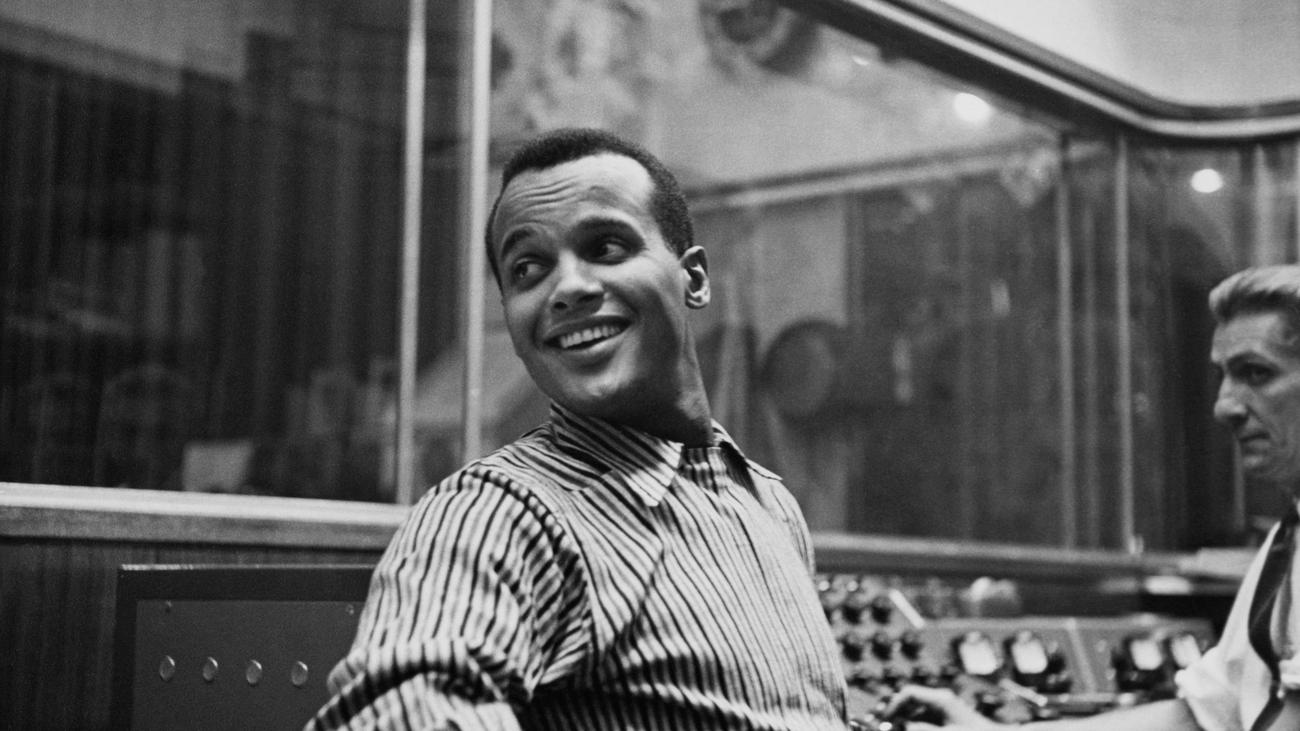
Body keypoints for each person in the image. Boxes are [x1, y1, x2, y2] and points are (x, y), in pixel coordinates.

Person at [307, 127, 849, 729]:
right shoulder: (501, 512)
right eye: (528, 268)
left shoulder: (769, 502)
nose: (566, 289)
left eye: (606, 247)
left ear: (694, 279)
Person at [887, 263, 1300, 730]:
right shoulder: (1287, 540)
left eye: (1257, 373)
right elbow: (1199, 716)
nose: (1225, 406)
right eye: (1224, 376)